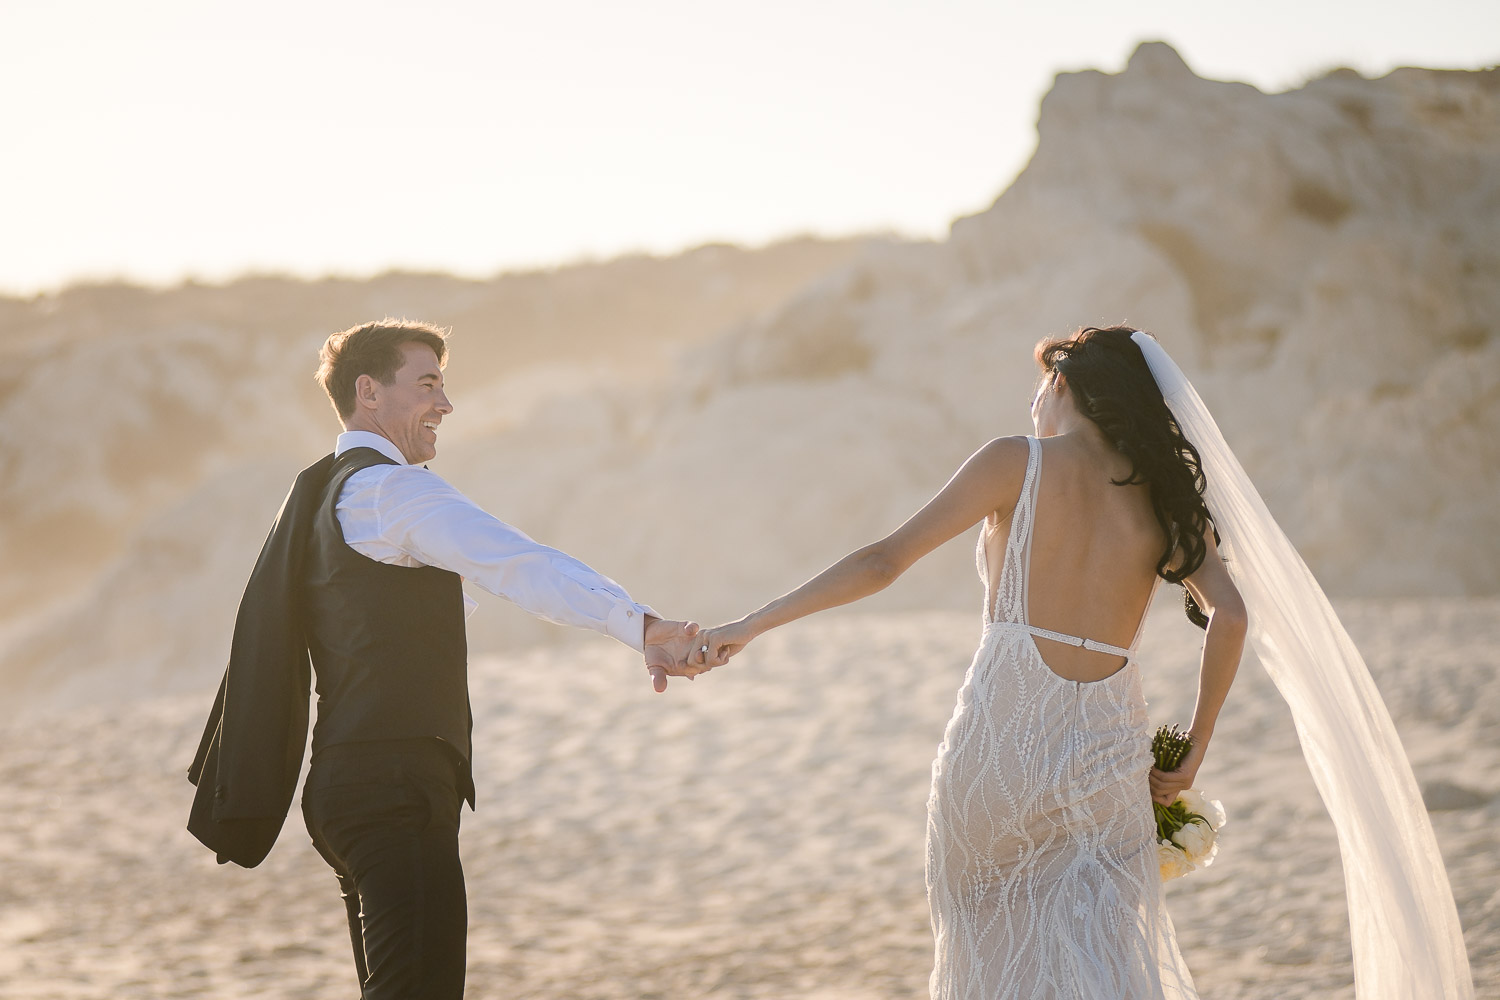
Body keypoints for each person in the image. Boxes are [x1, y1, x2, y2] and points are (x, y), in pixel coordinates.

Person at [693, 326, 1474, 999]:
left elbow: (882, 562)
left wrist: (752, 624)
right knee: (1109, 971)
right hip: (1103, 768)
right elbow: (1232, 616)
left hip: (996, 761)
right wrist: (1194, 748)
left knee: (990, 967)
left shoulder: (1015, 461)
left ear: (1062, 383)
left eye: (1042, 386)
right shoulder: (1164, 504)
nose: (1036, 404)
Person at [188, 319, 704, 1000]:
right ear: (368, 392)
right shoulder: (389, 493)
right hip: (391, 790)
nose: (446, 404)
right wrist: (641, 627)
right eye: (427, 383)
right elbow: (518, 564)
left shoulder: (324, 494)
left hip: (349, 787)